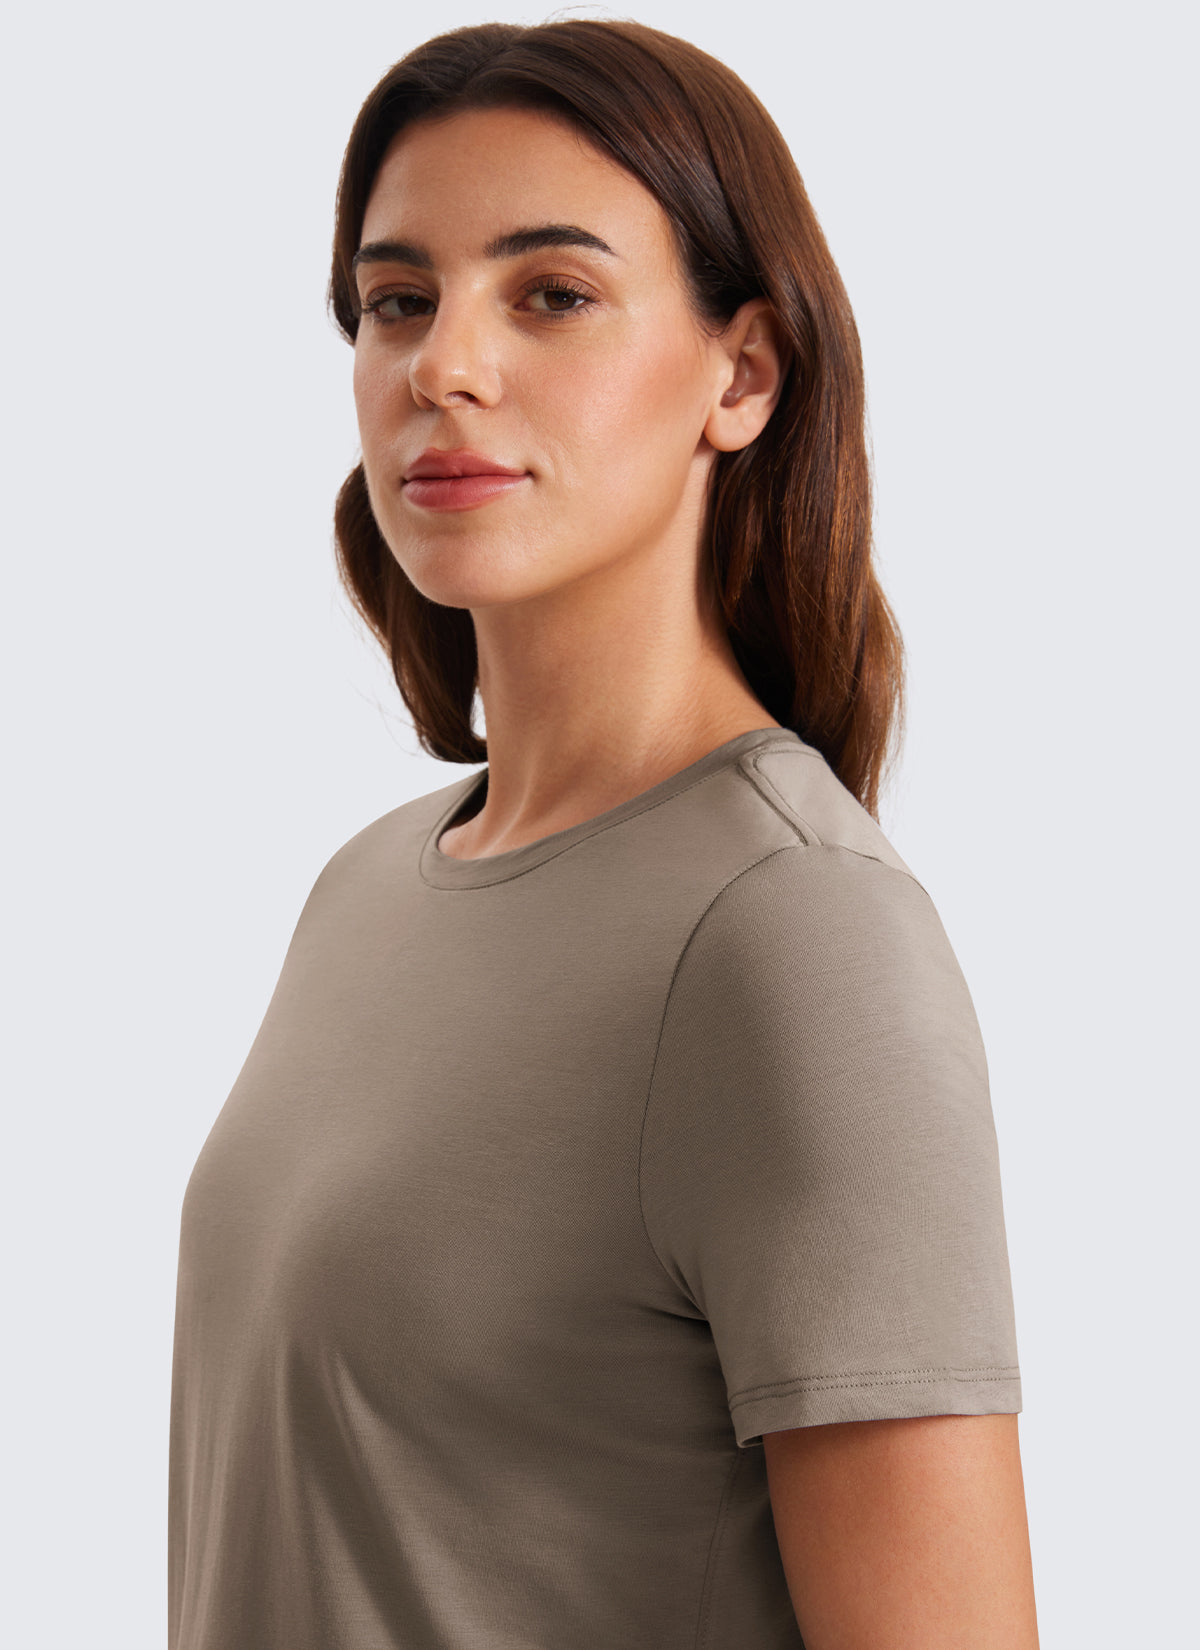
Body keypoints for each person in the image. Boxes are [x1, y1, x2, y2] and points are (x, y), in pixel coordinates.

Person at [168, 17, 1039, 1648]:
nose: (443, 366)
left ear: (743, 374)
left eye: (552, 293)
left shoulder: (797, 932)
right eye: (398, 300)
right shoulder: (363, 892)